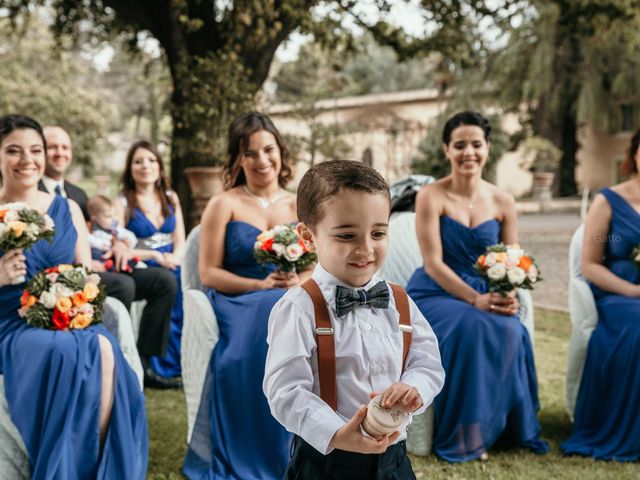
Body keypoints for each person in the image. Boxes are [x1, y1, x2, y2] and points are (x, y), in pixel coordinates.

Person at [263, 160, 445, 480]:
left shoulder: (400, 301)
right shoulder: (299, 308)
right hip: (327, 461)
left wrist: (414, 388)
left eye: (378, 233)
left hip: (394, 460)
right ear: (308, 236)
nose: (366, 248)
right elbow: (285, 390)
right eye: (347, 235)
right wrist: (336, 432)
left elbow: (428, 363)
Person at [0, 114, 148, 478]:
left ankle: (90, 469)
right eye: (13, 151)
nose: (27, 160)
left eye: (35, 150)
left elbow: (86, 275)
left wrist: (73, 304)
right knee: (71, 351)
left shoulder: (67, 209)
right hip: (11, 323)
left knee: (103, 348)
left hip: (66, 316)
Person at [405, 111, 549, 462]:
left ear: (488, 148)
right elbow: (433, 263)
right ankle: (467, 433)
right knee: (470, 328)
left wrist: (509, 294)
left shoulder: (503, 201)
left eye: (476, 144)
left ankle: (502, 428)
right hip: (438, 290)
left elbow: (512, 259)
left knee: (510, 330)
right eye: (459, 145)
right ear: (446, 150)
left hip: (488, 291)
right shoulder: (430, 196)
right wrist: (475, 299)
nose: (468, 152)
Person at [183, 112, 307, 479]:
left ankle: (307, 447)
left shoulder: (300, 203)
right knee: (257, 333)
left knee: (295, 314)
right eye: (250, 153)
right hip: (239, 298)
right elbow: (208, 273)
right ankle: (252, 453)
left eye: (268, 149)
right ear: (237, 159)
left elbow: (322, 260)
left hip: (294, 293)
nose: (261, 160)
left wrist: (301, 280)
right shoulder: (223, 204)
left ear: (280, 151)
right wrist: (260, 285)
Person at [41, 125, 180, 389]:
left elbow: (101, 226)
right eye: (52, 147)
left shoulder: (78, 193)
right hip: (73, 271)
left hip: (103, 261)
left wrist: (118, 244)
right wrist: (82, 262)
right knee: (124, 284)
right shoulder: (33, 190)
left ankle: (145, 362)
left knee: (164, 281)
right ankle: (114, 357)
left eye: (65, 147)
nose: (60, 153)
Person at [561, 127, 640, 461]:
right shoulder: (608, 200)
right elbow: (590, 265)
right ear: (634, 153)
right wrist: (635, 291)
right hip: (617, 295)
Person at [114, 140, 185, 379]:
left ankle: (179, 360)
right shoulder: (122, 201)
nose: (146, 166)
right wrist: (155, 256)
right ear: (130, 169)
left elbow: (180, 238)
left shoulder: (170, 197)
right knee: (167, 282)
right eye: (138, 161)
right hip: (141, 264)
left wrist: (175, 257)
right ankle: (152, 364)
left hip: (171, 262)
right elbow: (116, 246)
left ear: (160, 166)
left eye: (151, 160)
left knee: (184, 281)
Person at [87, 194, 140, 272]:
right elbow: (90, 240)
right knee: (95, 253)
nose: (114, 219)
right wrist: (109, 244)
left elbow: (130, 235)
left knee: (125, 254)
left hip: (115, 254)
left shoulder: (115, 229)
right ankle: (110, 266)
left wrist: (127, 241)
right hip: (104, 254)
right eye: (108, 216)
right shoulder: (93, 229)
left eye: (115, 215)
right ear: (94, 218)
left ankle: (128, 265)